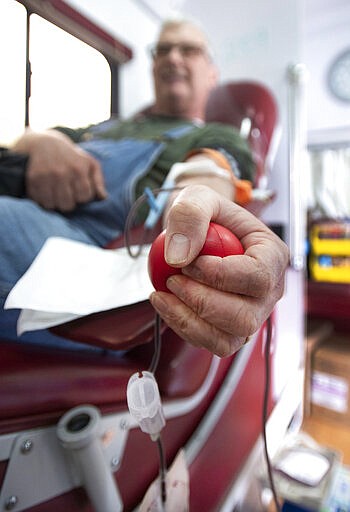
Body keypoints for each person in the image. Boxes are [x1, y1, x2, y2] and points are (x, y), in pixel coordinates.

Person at [0, 18, 289, 355]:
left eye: (188, 50)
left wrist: (190, 215)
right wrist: (42, 140)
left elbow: (207, 175)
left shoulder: (214, 135)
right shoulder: (107, 127)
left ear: (212, 74)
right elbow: (28, 138)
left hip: (92, 248)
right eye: (162, 50)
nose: (173, 57)